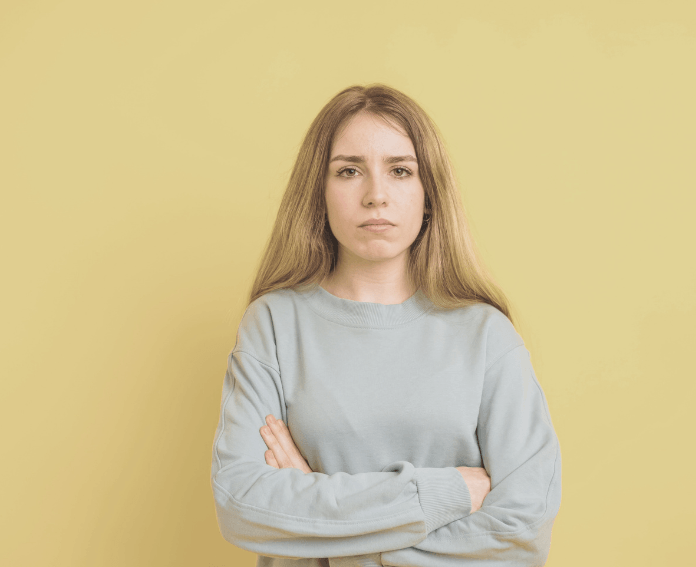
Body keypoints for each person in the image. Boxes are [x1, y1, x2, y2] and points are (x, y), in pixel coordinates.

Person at [210, 83, 561, 567]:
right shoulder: (272, 325)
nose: (376, 195)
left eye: (400, 171)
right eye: (349, 171)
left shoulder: (487, 335)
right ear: (319, 192)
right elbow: (242, 506)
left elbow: (522, 532)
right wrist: (441, 493)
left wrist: (331, 532)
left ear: (428, 193)